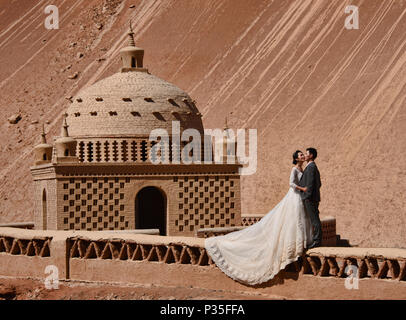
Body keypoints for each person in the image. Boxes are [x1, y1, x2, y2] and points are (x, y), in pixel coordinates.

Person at [204, 150, 313, 285]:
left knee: (296, 221)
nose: (302, 156)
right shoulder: (294, 169)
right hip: (294, 196)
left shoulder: (302, 168)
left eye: (303, 154)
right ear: (296, 158)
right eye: (300, 155)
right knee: (292, 220)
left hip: (298, 198)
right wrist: (302, 189)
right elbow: (291, 183)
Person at [298, 147, 322, 249]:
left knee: (314, 219)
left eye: (307, 153)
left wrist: (307, 196)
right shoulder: (311, 166)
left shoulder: (311, 167)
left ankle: (317, 241)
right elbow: (319, 183)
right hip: (312, 197)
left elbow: (311, 183)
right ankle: (315, 239)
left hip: (310, 198)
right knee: (313, 218)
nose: (305, 155)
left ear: (311, 155)